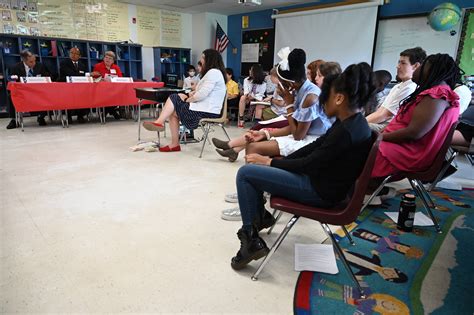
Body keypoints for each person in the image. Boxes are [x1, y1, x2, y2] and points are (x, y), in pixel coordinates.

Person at [229, 63, 375, 270]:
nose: (323, 103)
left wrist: (271, 162)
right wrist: (277, 163)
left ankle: (250, 238)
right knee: (256, 170)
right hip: (324, 184)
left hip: (320, 192)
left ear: (339, 98)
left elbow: (310, 164)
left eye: (327, 97)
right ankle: (258, 219)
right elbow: (314, 148)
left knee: (245, 174)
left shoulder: (347, 131)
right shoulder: (352, 122)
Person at [369, 54, 462, 201]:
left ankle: (366, 189)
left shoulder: (437, 94)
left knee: (355, 147)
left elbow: (414, 132)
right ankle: (371, 189)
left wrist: (379, 136)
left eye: (422, 65)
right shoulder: (435, 92)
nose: (417, 69)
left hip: (408, 152)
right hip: (402, 147)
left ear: (432, 69)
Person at [142, 49, 227, 152]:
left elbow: (202, 94)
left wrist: (188, 100)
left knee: (174, 98)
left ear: (209, 59)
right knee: (176, 103)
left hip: (207, 111)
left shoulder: (213, 72)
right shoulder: (213, 73)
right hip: (204, 108)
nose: (201, 60)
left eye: (203, 57)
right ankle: (169, 136)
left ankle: (164, 128)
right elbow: (201, 92)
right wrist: (190, 95)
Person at [366, 47, 426, 132]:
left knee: (353, 127)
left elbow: (385, 115)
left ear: (415, 66)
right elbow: (380, 111)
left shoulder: (410, 87)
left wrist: (358, 124)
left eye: (403, 63)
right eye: (399, 62)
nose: (398, 66)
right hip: (380, 122)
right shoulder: (399, 86)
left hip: (387, 126)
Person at [6, 49, 51, 129]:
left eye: (35, 61)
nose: (34, 63)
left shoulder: (40, 66)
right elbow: (12, 81)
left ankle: (41, 117)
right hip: (23, 93)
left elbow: (48, 77)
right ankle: (14, 119)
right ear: (24, 61)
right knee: (11, 96)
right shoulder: (16, 67)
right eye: (31, 62)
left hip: (38, 91)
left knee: (47, 94)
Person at [58, 47, 89, 123]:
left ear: (79, 56)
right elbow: (71, 74)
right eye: (71, 53)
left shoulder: (82, 65)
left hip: (79, 88)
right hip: (66, 87)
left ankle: (80, 115)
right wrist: (85, 74)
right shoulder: (64, 63)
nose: (73, 55)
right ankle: (68, 116)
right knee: (69, 97)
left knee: (86, 95)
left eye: (76, 54)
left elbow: (83, 75)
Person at [91, 51, 123, 120]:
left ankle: (106, 112)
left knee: (116, 96)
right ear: (103, 58)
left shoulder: (116, 67)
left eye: (110, 58)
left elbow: (120, 78)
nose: (107, 59)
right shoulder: (98, 66)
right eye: (106, 57)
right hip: (100, 90)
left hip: (114, 90)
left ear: (113, 61)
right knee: (107, 97)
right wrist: (100, 79)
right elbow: (94, 77)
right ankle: (114, 112)